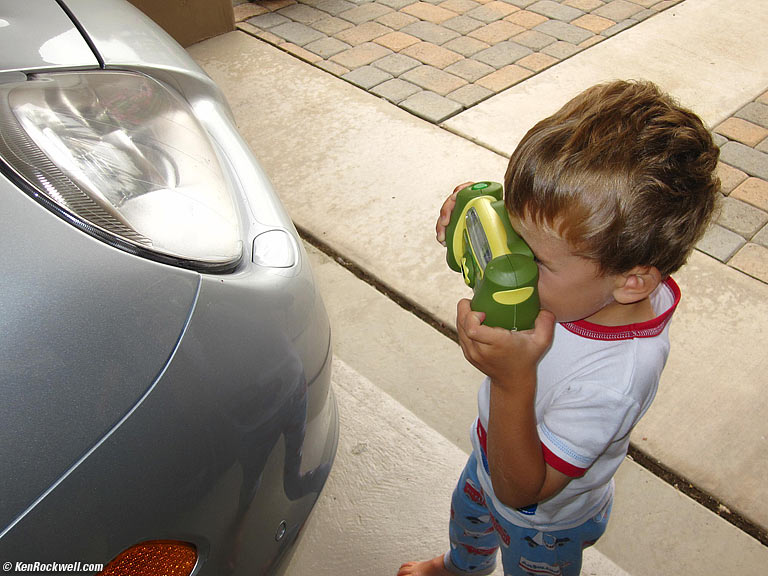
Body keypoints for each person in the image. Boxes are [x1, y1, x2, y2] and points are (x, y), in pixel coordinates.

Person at [398, 80, 720, 576]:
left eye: (534, 258)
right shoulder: (584, 269)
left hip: (544, 522)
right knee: (469, 521)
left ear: (632, 282)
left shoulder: (614, 379)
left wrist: (511, 381)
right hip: (489, 452)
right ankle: (461, 567)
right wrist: (471, 207)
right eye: (512, 229)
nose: (513, 260)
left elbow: (521, 490)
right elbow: (533, 222)